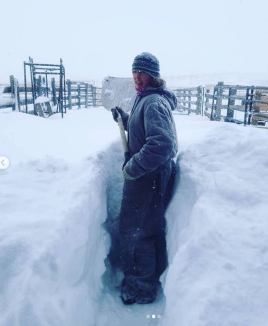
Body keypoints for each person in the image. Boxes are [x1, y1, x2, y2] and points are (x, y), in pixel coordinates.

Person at [111, 52, 178, 305]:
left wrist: (132, 167)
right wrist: (126, 120)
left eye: (143, 72)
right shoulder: (145, 99)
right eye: (134, 71)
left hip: (148, 178)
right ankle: (138, 282)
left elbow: (162, 144)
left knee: (138, 233)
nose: (137, 76)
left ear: (153, 76)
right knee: (135, 230)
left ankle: (142, 289)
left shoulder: (153, 102)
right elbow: (144, 130)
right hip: (146, 175)